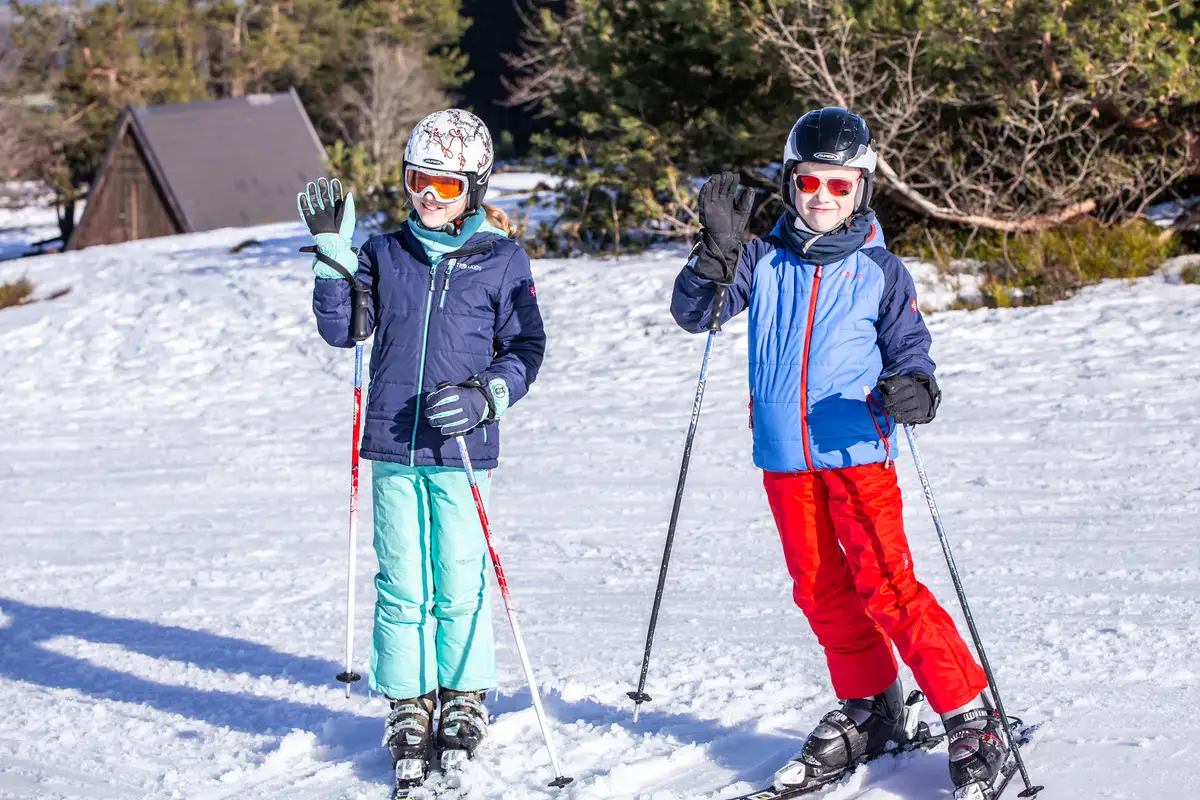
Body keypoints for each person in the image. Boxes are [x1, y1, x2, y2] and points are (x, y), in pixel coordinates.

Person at [670, 107, 1005, 797]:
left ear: (863, 190)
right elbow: (695, 312)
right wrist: (715, 251)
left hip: (857, 453)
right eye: (811, 183)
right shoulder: (760, 260)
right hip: (786, 462)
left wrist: (916, 386)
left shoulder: (881, 271)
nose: (823, 198)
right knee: (820, 591)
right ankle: (873, 705)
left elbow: (911, 350)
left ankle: (969, 711)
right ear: (791, 184)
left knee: (888, 589)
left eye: (840, 186)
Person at [299, 108, 545, 792]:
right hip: (393, 444)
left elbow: (527, 347)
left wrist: (487, 396)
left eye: (444, 187)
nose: (427, 199)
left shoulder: (502, 259)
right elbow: (344, 328)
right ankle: (408, 699)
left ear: (476, 188)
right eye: (416, 181)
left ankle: (464, 693)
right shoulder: (384, 254)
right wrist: (332, 262)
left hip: (464, 448)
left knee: (460, 577)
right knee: (402, 580)